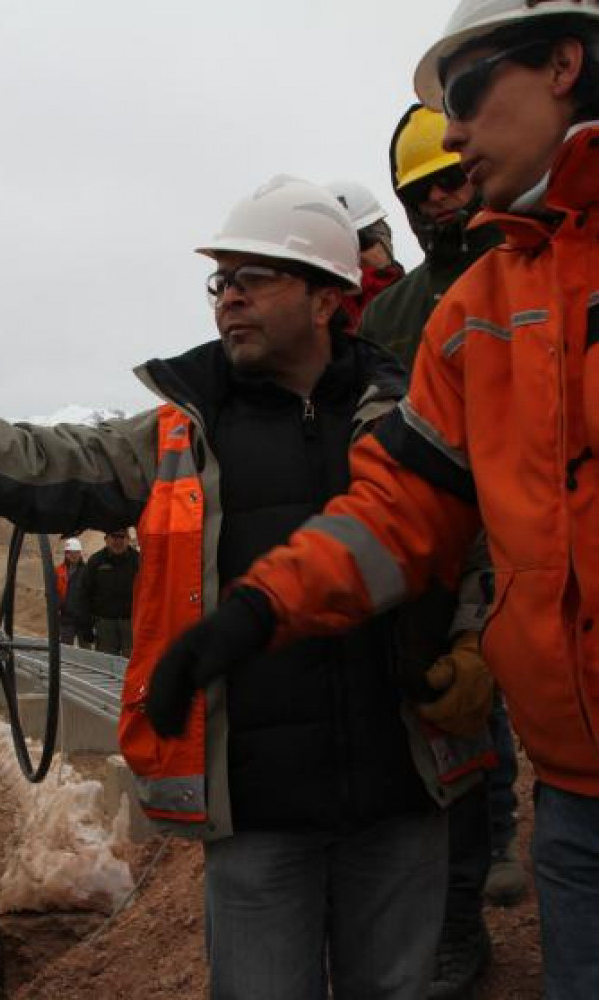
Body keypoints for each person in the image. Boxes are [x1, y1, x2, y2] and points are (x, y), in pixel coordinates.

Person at [0, 175, 490, 998]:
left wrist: (474, 643)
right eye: (222, 282)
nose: (229, 299)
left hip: (401, 783)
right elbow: (44, 463)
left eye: (255, 278)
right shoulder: (183, 427)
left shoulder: (407, 412)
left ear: (327, 298)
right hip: (255, 804)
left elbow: (475, 543)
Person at [145, 5, 599, 997]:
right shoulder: (473, 315)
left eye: (466, 95)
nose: (455, 132)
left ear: (563, 62)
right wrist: (256, 609)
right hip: (574, 796)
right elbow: (403, 509)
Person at [359, 103, 524, 1000]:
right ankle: (460, 917)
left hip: (546, 526)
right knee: (452, 716)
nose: (442, 202)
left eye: (451, 180)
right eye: (421, 192)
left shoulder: (540, 265)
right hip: (453, 540)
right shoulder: (394, 310)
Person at [326, 180, 405, 328]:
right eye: (345, 246)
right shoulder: (324, 323)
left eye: (363, 239)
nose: (359, 256)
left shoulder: (417, 294)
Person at [72, 530, 139, 656]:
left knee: (132, 665)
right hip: (104, 625)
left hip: (132, 624)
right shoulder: (96, 561)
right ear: (106, 539)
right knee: (106, 665)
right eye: (114, 537)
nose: (118, 541)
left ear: (128, 539)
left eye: (121, 537)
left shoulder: (138, 561)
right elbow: (84, 594)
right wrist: (85, 625)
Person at [55, 537, 91, 647]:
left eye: (76, 553)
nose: (74, 555)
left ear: (80, 553)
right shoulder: (58, 571)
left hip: (83, 618)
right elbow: (53, 592)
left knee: (86, 651)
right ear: (66, 553)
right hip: (66, 618)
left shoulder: (87, 571)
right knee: (65, 650)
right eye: (71, 553)